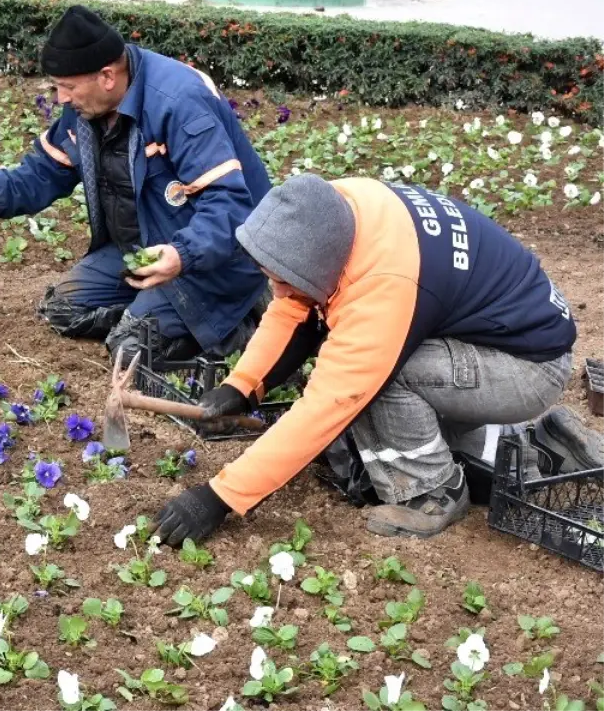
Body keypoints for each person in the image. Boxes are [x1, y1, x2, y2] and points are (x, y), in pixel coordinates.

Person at [154, 174, 604, 544]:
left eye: (285, 281)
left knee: (382, 381)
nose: (279, 291)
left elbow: (328, 404)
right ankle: (546, 447)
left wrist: (218, 497)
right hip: (497, 344)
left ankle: (431, 491)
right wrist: (243, 384)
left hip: (528, 369)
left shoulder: (384, 284)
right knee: (391, 389)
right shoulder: (341, 210)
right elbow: (293, 306)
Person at [0, 5, 273, 366]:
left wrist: (182, 255)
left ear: (107, 76)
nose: (60, 99)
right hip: (143, 247)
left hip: (213, 261)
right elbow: (46, 171)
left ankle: (241, 321)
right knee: (63, 309)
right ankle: (154, 314)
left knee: (131, 352)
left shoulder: (179, 102)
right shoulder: (87, 104)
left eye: (67, 87)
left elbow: (231, 205)